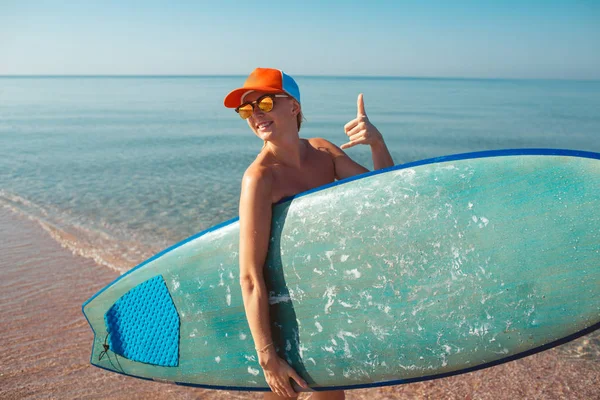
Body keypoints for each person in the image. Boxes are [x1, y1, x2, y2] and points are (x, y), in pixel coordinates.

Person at [224, 68, 394, 400]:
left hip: (323, 301)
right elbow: (249, 274)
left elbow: (384, 199)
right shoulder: (259, 178)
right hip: (280, 314)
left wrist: (377, 143)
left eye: (265, 102)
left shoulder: (324, 153)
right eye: (246, 109)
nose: (255, 114)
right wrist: (266, 356)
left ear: (294, 107)